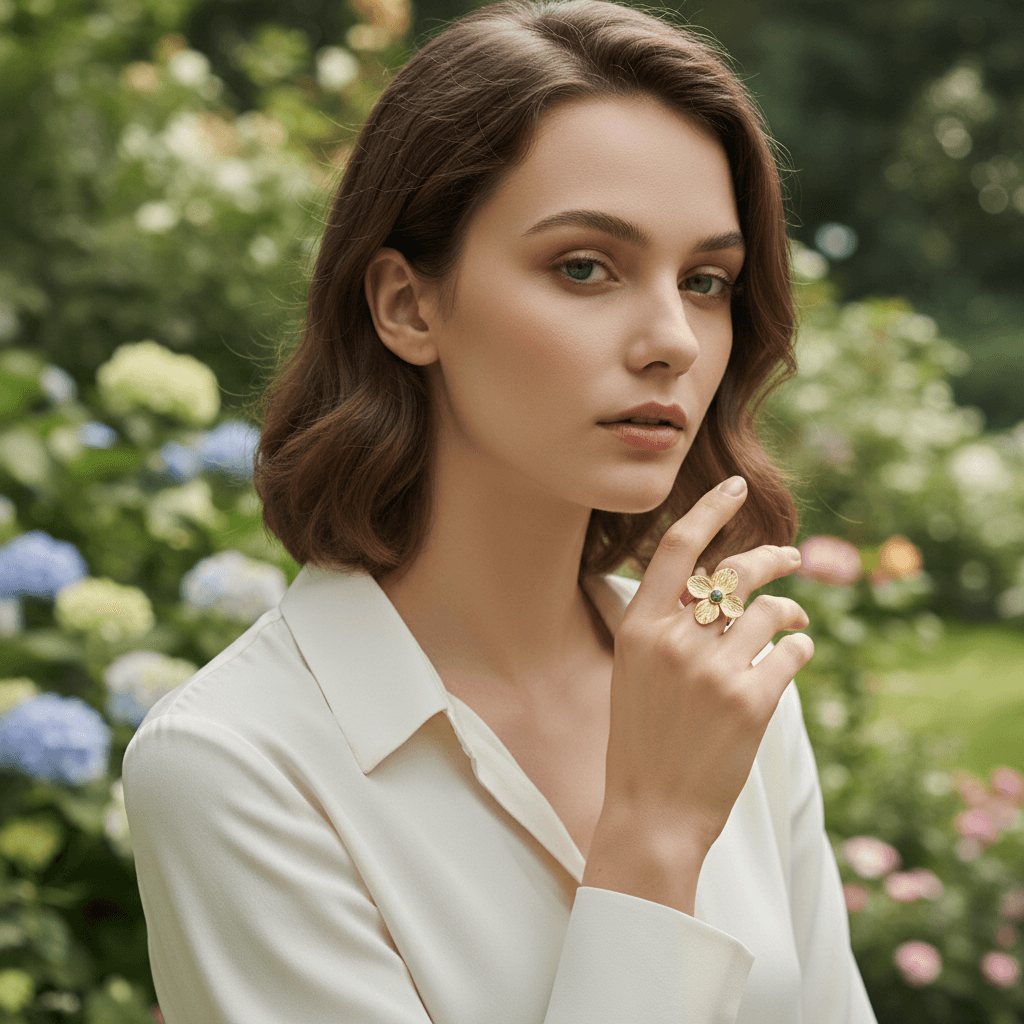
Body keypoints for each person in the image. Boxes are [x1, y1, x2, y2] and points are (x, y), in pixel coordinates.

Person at [122, 1, 879, 1021]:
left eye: (706, 280)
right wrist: (652, 834)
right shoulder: (234, 761)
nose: (674, 340)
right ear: (407, 305)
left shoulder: (722, 682)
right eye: (583, 266)